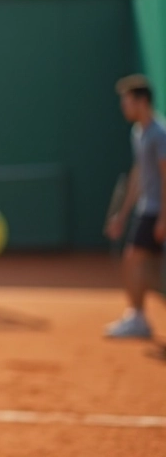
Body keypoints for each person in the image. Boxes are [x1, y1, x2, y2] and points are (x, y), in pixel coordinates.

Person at [104, 74, 166, 339]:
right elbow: (138, 175)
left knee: (135, 261)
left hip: (157, 210)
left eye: (127, 101)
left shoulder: (159, 133)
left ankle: (138, 317)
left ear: (141, 101)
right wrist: (123, 214)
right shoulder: (138, 133)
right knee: (136, 261)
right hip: (147, 209)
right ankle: (138, 317)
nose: (123, 107)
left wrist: (164, 216)